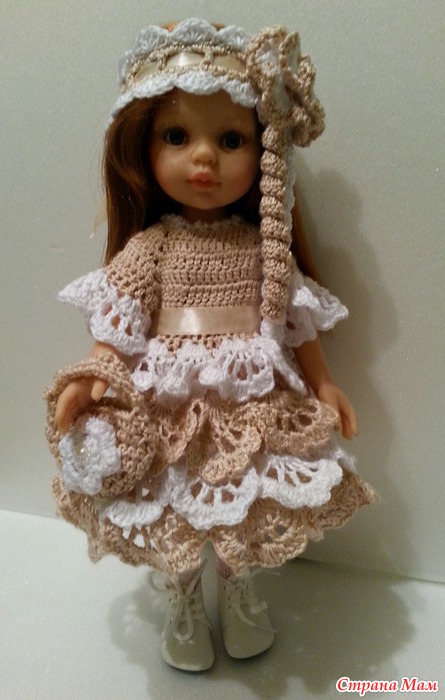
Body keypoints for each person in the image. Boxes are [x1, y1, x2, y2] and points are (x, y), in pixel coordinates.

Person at [45, 18, 375, 672]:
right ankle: (184, 600)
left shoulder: (263, 250)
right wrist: (91, 377)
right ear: (142, 147)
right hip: (166, 404)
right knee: (174, 508)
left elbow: (294, 321)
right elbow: (118, 324)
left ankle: (239, 592)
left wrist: (323, 383)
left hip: (248, 403)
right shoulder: (152, 247)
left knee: (242, 508)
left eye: (230, 140)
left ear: (263, 153)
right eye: (177, 136)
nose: (204, 159)